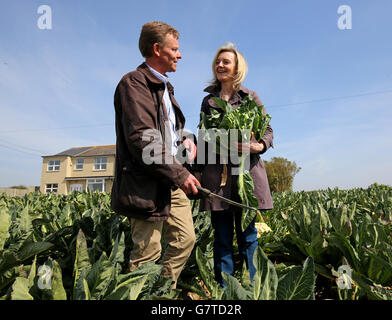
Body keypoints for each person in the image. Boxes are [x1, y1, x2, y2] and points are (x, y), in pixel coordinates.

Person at [110, 21, 200, 289]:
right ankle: (140, 294)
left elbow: (171, 133)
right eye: (175, 49)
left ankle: (160, 293)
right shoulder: (134, 84)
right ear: (158, 49)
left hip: (169, 180)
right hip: (145, 184)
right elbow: (141, 138)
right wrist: (181, 173)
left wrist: (187, 138)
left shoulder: (164, 88)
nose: (180, 55)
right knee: (146, 255)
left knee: (185, 240)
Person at [195, 43, 274, 286]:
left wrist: (258, 145)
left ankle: (252, 287)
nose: (220, 66)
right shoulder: (208, 102)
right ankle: (226, 290)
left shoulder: (251, 97)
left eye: (226, 62)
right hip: (218, 177)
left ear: (237, 67)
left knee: (249, 237)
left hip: (245, 177)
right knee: (222, 238)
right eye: (217, 62)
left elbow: (268, 130)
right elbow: (202, 139)